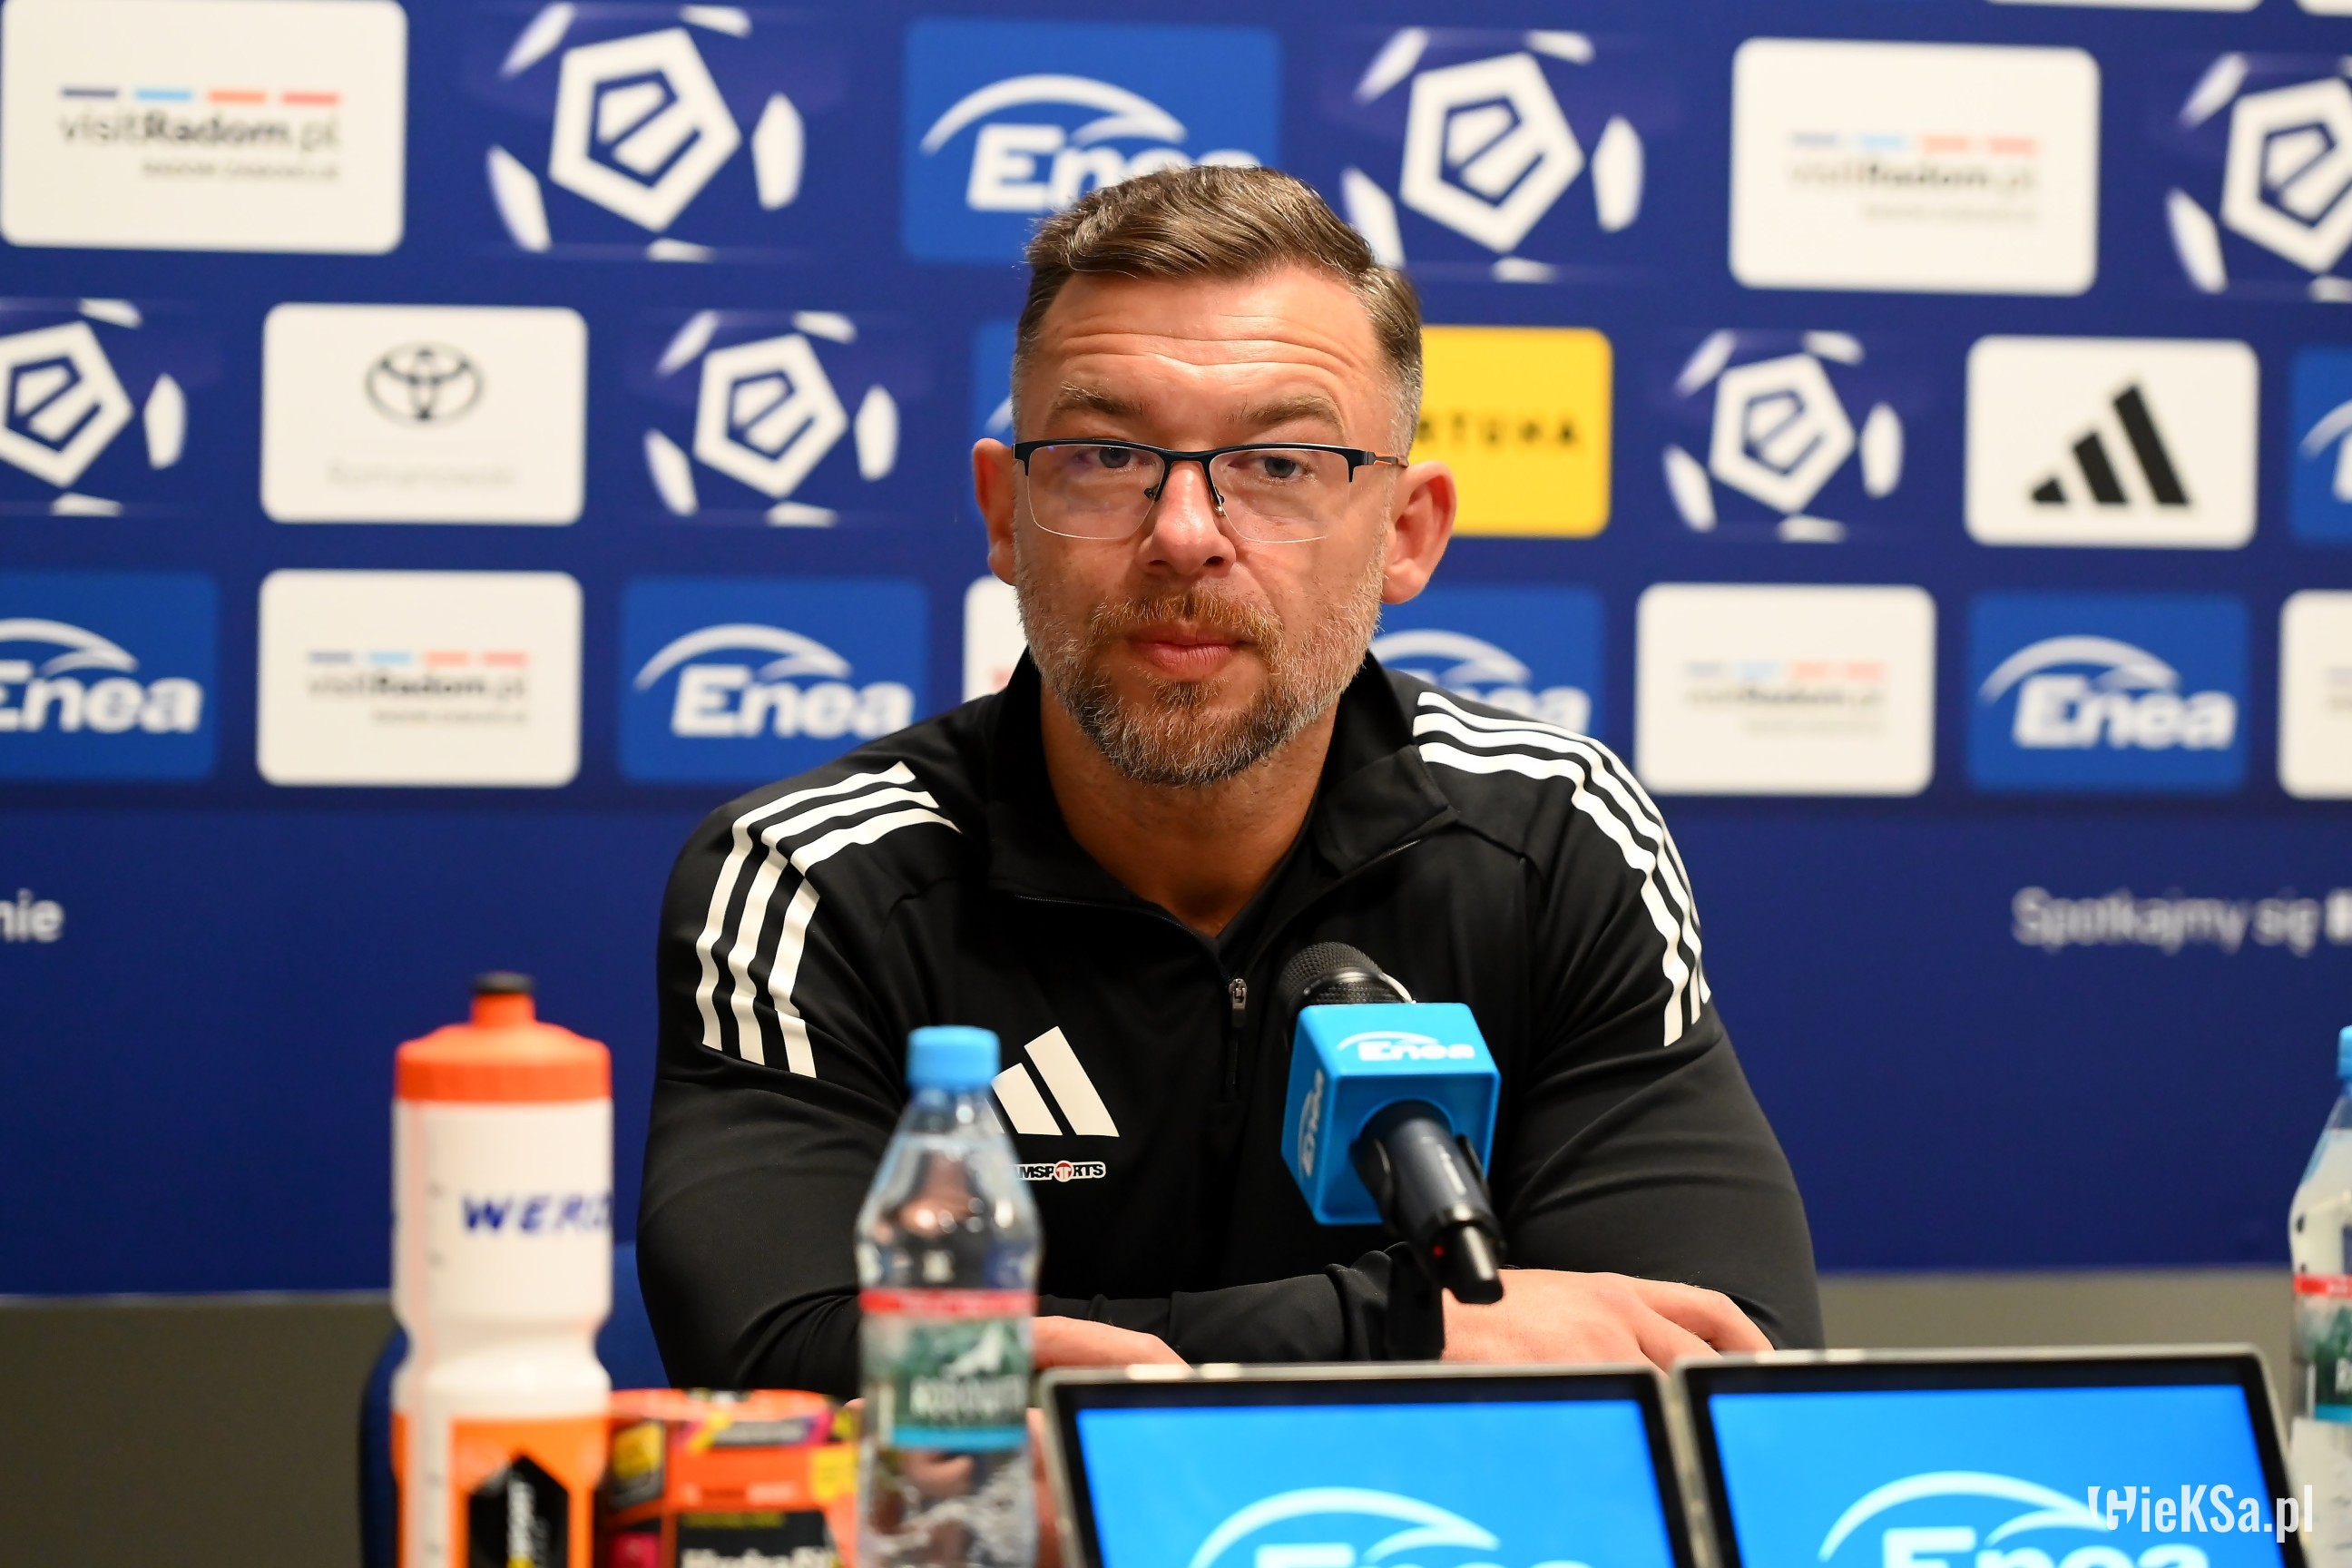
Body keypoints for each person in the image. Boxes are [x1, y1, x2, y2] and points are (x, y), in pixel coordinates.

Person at [640, 165, 1821, 1397]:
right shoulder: (810, 880)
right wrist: (1401, 1332)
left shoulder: (1555, 835)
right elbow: (782, 1366)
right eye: (1108, 455)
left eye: (1281, 465)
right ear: (1005, 513)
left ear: (1407, 532)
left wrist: (1089, 1355)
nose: (1186, 534)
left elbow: (1713, 1352)